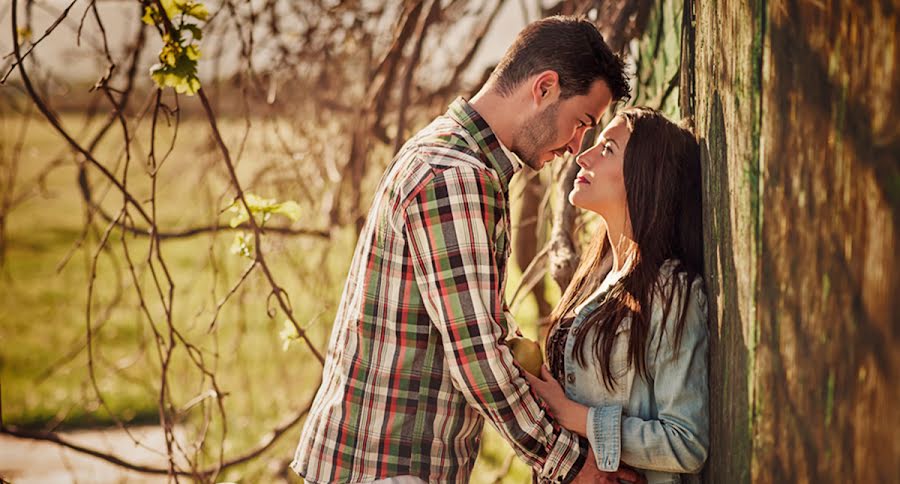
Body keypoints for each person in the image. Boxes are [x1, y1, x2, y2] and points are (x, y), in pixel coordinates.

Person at [291, 15, 634, 484]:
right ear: (545, 88)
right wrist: (573, 467)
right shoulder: (456, 176)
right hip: (385, 469)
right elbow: (478, 358)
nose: (578, 145)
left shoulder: (458, 161)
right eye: (581, 123)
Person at [524, 107, 709, 483]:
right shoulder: (596, 275)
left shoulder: (670, 292)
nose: (583, 155)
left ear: (645, 177)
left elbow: (686, 442)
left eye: (607, 148)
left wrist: (575, 416)